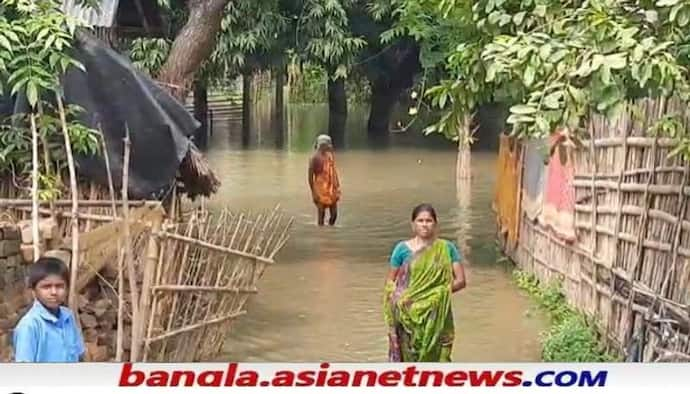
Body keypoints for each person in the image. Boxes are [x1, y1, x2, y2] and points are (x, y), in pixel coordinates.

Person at [383, 203, 466, 362]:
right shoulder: (402, 249)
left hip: (437, 314)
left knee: (439, 360)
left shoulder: (447, 248)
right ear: (413, 224)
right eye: (420, 221)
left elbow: (461, 281)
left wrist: (435, 296)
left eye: (428, 220)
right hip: (407, 316)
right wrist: (401, 301)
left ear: (435, 224)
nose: (424, 224)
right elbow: (390, 283)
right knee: (409, 361)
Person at [13, 256, 85, 362]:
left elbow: (79, 355)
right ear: (33, 290)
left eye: (60, 286)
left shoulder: (68, 317)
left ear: (67, 288)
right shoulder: (30, 326)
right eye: (46, 287)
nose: (54, 292)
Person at [308, 134, 341, 226]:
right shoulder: (314, 158)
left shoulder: (329, 156)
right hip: (320, 189)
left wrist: (336, 186)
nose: (330, 146)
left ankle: (330, 229)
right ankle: (321, 234)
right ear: (323, 145)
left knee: (334, 215)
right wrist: (313, 192)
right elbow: (310, 177)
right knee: (321, 215)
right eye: (328, 144)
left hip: (331, 189)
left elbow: (333, 170)